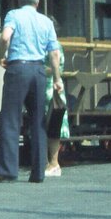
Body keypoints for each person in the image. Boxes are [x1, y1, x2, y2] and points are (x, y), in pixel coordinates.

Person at [0, 0, 59, 183]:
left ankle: (7, 170)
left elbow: (5, 37)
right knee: (38, 121)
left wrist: (1, 55)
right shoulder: (46, 21)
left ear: (19, 1)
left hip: (18, 68)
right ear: (37, 2)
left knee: (11, 119)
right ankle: (38, 172)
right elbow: (54, 53)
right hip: (39, 70)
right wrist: (57, 79)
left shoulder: (13, 15)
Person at [44, 17, 68, 177]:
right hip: (47, 88)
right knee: (47, 127)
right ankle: (48, 163)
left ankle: (53, 163)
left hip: (51, 88)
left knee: (53, 126)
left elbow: (55, 67)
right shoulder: (50, 45)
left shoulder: (55, 46)